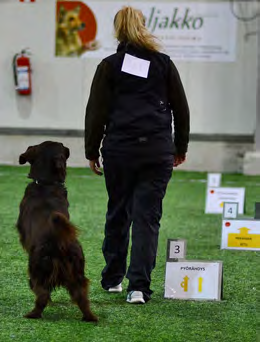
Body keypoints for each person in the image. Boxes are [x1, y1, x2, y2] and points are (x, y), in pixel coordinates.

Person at [84, 6, 190, 304]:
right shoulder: (164, 64)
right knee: (147, 218)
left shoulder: (109, 66)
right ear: (144, 26)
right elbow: (181, 110)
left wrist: (91, 150)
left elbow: (96, 113)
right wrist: (179, 148)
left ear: (117, 31)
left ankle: (113, 278)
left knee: (118, 211)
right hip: (156, 150)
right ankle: (139, 288)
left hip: (120, 150)